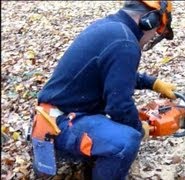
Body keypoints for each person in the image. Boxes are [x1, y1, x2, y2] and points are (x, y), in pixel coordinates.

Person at [33, 0, 176, 179]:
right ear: (150, 20)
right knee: (126, 141)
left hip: (57, 115)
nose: (152, 36)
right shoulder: (125, 42)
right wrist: (140, 129)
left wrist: (153, 83)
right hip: (60, 124)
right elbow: (119, 105)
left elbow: (114, 74)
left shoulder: (111, 28)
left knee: (121, 131)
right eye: (156, 31)